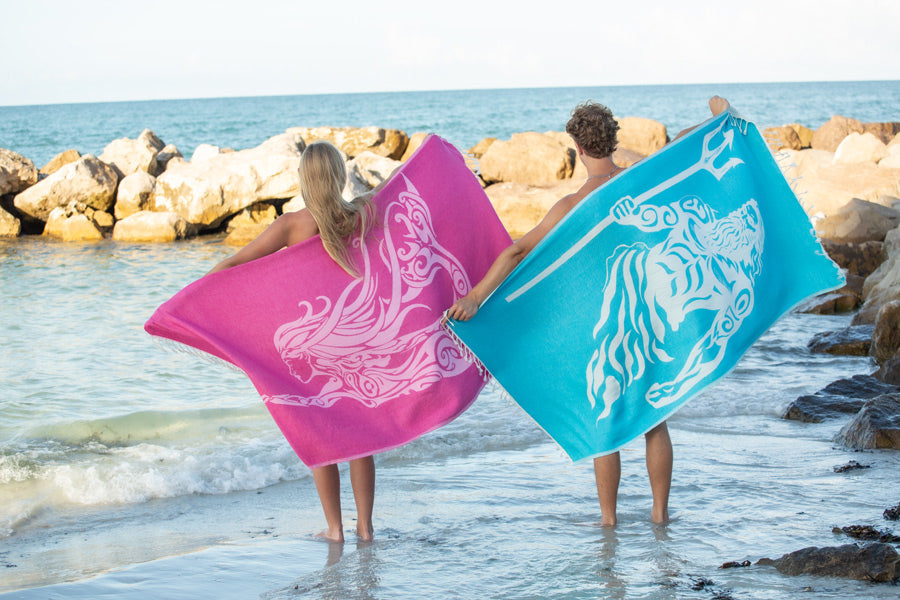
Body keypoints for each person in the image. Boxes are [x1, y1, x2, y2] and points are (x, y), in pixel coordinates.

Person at [446, 96, 730, 526]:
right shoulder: (638, 179)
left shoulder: (570, 207)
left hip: (605, 326)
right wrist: (719, 119)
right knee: (656, 418)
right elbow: (684, 149)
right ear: (614, 142)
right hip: (652, 313)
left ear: (578, 148)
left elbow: (518, 251)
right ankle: (659, 514)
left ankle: (609, 520)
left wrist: (476, 298)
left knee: (606, 424)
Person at [208, 140, 381, 543]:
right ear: (339, 176)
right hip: (355, 339)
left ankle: (335, 530)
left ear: (304, 179)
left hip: (309, 347)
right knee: (361, 438)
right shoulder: (362, 215)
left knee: (320, 436)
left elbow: (234, 265)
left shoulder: (290, 225)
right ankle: (366, 527)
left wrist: (190, 298)